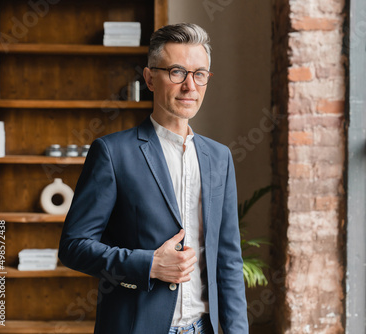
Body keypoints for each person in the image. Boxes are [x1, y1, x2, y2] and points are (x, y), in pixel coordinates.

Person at [59, 23, 248, 334]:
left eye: (199, 74)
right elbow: (73, 246)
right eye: (177, 72)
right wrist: (149, 264)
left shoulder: (219, 157)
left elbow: (228, 259)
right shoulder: (111, 152)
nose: (190, 86)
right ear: (149, 78)